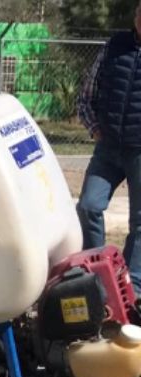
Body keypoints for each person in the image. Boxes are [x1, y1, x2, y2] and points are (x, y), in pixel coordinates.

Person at [75, 2, 141, 297]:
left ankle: (132, 289)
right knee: (88, 206)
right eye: (140, 12)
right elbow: (87, 94)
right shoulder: (115, 46)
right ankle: (96, 277)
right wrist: (95, 128)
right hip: (108, 148)